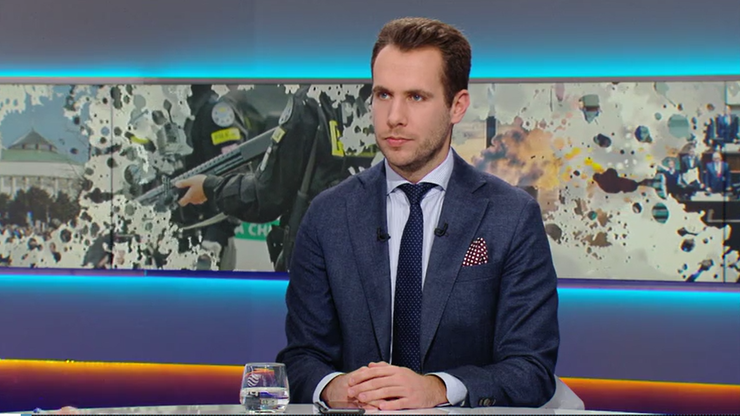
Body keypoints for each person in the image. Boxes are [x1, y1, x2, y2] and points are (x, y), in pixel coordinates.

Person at [274, 17, 560, 410]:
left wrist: (438, 389)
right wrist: (336, 387)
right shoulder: (328, 215)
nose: (394, 116)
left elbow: (531, 370)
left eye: (416, 97)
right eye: (383, 95)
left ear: (457, 106)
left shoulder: (511, 217)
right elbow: (300, 358)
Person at [175, 84, 377, 271]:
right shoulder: (384, 99)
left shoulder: (313, 100)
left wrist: (210, 188)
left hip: (318, 263)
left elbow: (266, 196)